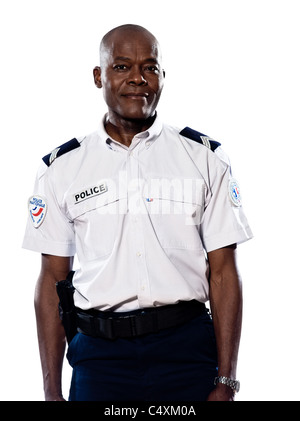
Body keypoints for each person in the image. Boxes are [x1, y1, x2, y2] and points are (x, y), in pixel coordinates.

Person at [22, 24, 253, 401]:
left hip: (186, 352)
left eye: (149, 67)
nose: (137, 79)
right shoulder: (61, 168)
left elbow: (225, 272)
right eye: (121, 66)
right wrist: (51, 392)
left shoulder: (205, 159)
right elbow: (51, 280)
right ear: (99, 76)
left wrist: (226, 381)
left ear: (163, 76)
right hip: (99, 358)